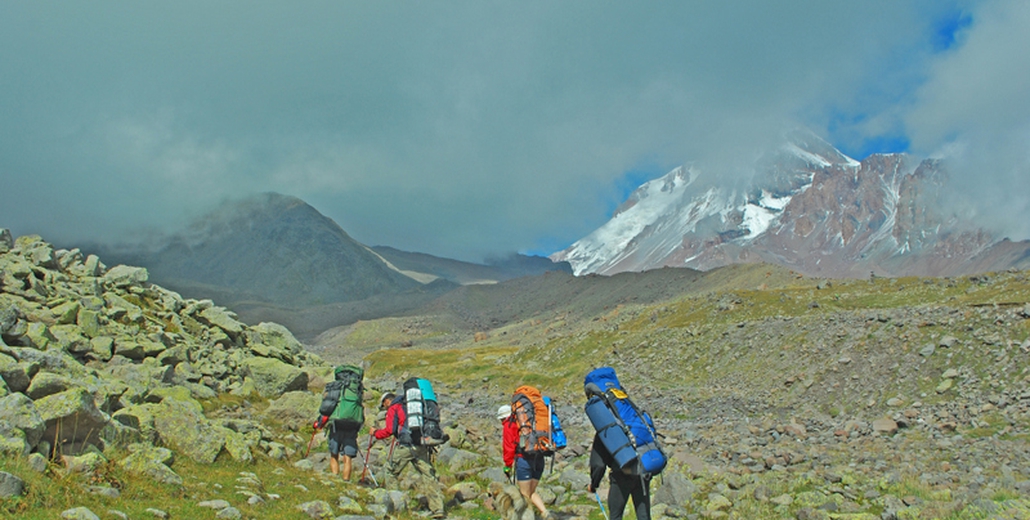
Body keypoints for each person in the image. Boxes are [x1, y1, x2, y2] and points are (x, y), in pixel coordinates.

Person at [373, 391, 445, 518]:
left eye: (383, 405)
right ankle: (438, 508)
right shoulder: (412, 406)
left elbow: (390, 430)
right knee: (428, 475)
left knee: (390, 471)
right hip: (421, 443)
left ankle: (395, 506)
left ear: (387, 401)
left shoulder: (394, 408)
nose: (384, 408)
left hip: (406, 446)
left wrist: (375, 433)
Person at [500, 404, 552, 519]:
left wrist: (507, 466)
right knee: (531, 491)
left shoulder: (509, 424)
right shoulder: (531, 421)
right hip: (539, 458)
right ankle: (546, 514)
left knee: (524, 496)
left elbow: (508, 448)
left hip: (524, 460)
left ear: (503, 418)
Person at [313, 367, 365, 481]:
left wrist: (319, 423)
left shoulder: (337, 388)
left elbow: (327, 408)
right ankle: (346, 480)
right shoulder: (356, 390)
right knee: (348, 457)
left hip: (337, 425)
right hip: (352, 426)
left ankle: (335, 478)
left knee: (334, 454)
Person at [587, 433, 652, 520]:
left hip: (621, 476)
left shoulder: (606, 428)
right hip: (642, 472)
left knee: (615, 516)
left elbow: (599, 465)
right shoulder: (637, 421)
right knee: (644, 516)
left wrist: (594, 485)